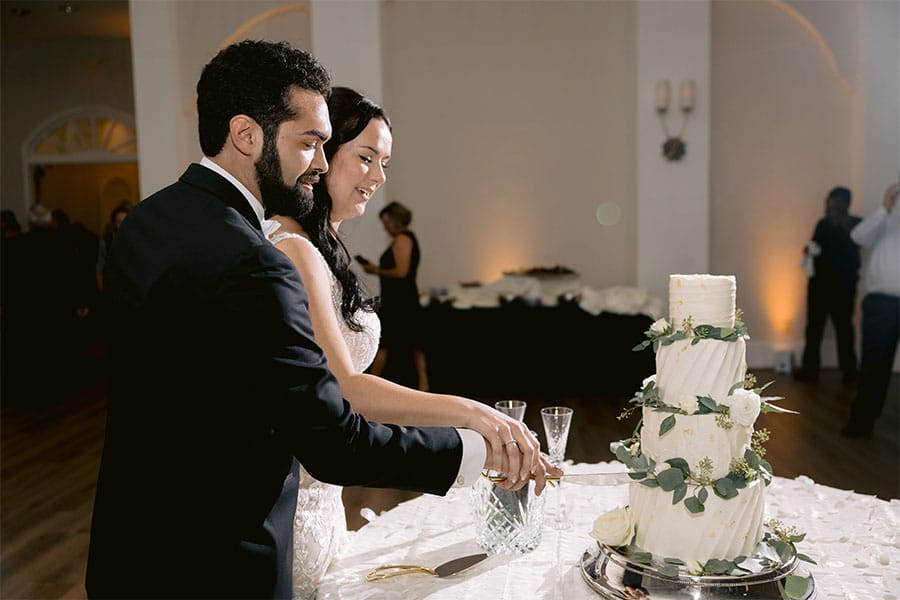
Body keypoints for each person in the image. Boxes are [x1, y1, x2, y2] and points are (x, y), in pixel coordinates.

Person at [85, 41, 552, 599]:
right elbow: (333, 443)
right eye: (310, 143)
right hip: (220, 565)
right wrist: (478, 450)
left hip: (130, 553)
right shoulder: (256, 262)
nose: (323, 162)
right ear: (247, 134)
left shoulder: (145, 222)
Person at [263, 87, 546, 598]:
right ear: (324, 156)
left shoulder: (321, 246)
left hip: (325, 499)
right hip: (296, 497)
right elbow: (343, 387)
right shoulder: (293, 249)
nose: (379, 177)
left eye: (385, 162)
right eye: (366, 157)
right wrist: (475, 415)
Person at [841, 182, 900, 437]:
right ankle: (861, 423)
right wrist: (885, 207)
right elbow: (857, 237)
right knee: (874, 366)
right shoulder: (885, 219)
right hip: (882, 305)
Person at [794, 186, 861, 383]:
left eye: (833, 201)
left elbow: (858, 244)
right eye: (828, 200)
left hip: (843, 287)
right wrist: (808, 250)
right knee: (814, 328)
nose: (828, 205)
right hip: (819, 285)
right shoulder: (822, 224)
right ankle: (810, 370)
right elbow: (816, 247)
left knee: (844, 329)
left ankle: (849, 371)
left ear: (844, 203)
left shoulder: (856, 224)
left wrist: (842, 223)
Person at [361, 201, 429, 390]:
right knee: (412, 344)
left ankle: (370, 385)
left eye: (386, 222)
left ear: (395, 221)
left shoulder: (403, 239)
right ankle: (423, 386)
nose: (385, 227)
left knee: (385, 343)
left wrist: (376, 270)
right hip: (401, 299)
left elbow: (401, 271)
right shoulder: (404, 238)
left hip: (400, 301)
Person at [95, 201, 131, 291]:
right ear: (114, 224)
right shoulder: (106, 242)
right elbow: (100, 268)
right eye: (119, 222)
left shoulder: (137, 240)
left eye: (126, 221)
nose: (123, 226)